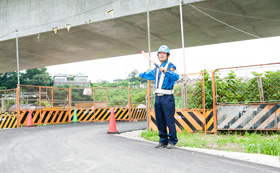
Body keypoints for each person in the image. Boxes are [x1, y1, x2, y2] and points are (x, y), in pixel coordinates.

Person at [135, 45, 179, 149]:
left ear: (167, 55)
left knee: (169, 120)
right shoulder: (156, 69)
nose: (162, 55)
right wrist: (140, 74)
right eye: (160, 54)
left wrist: (165, 71)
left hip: (167, 97)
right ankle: (163, 140)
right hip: (158, 98)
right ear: (158, 56)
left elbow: (176, 76)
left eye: (164, 53)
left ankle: (172, 141)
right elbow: (149, 75)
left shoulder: (170, 65)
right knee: (160, 120)